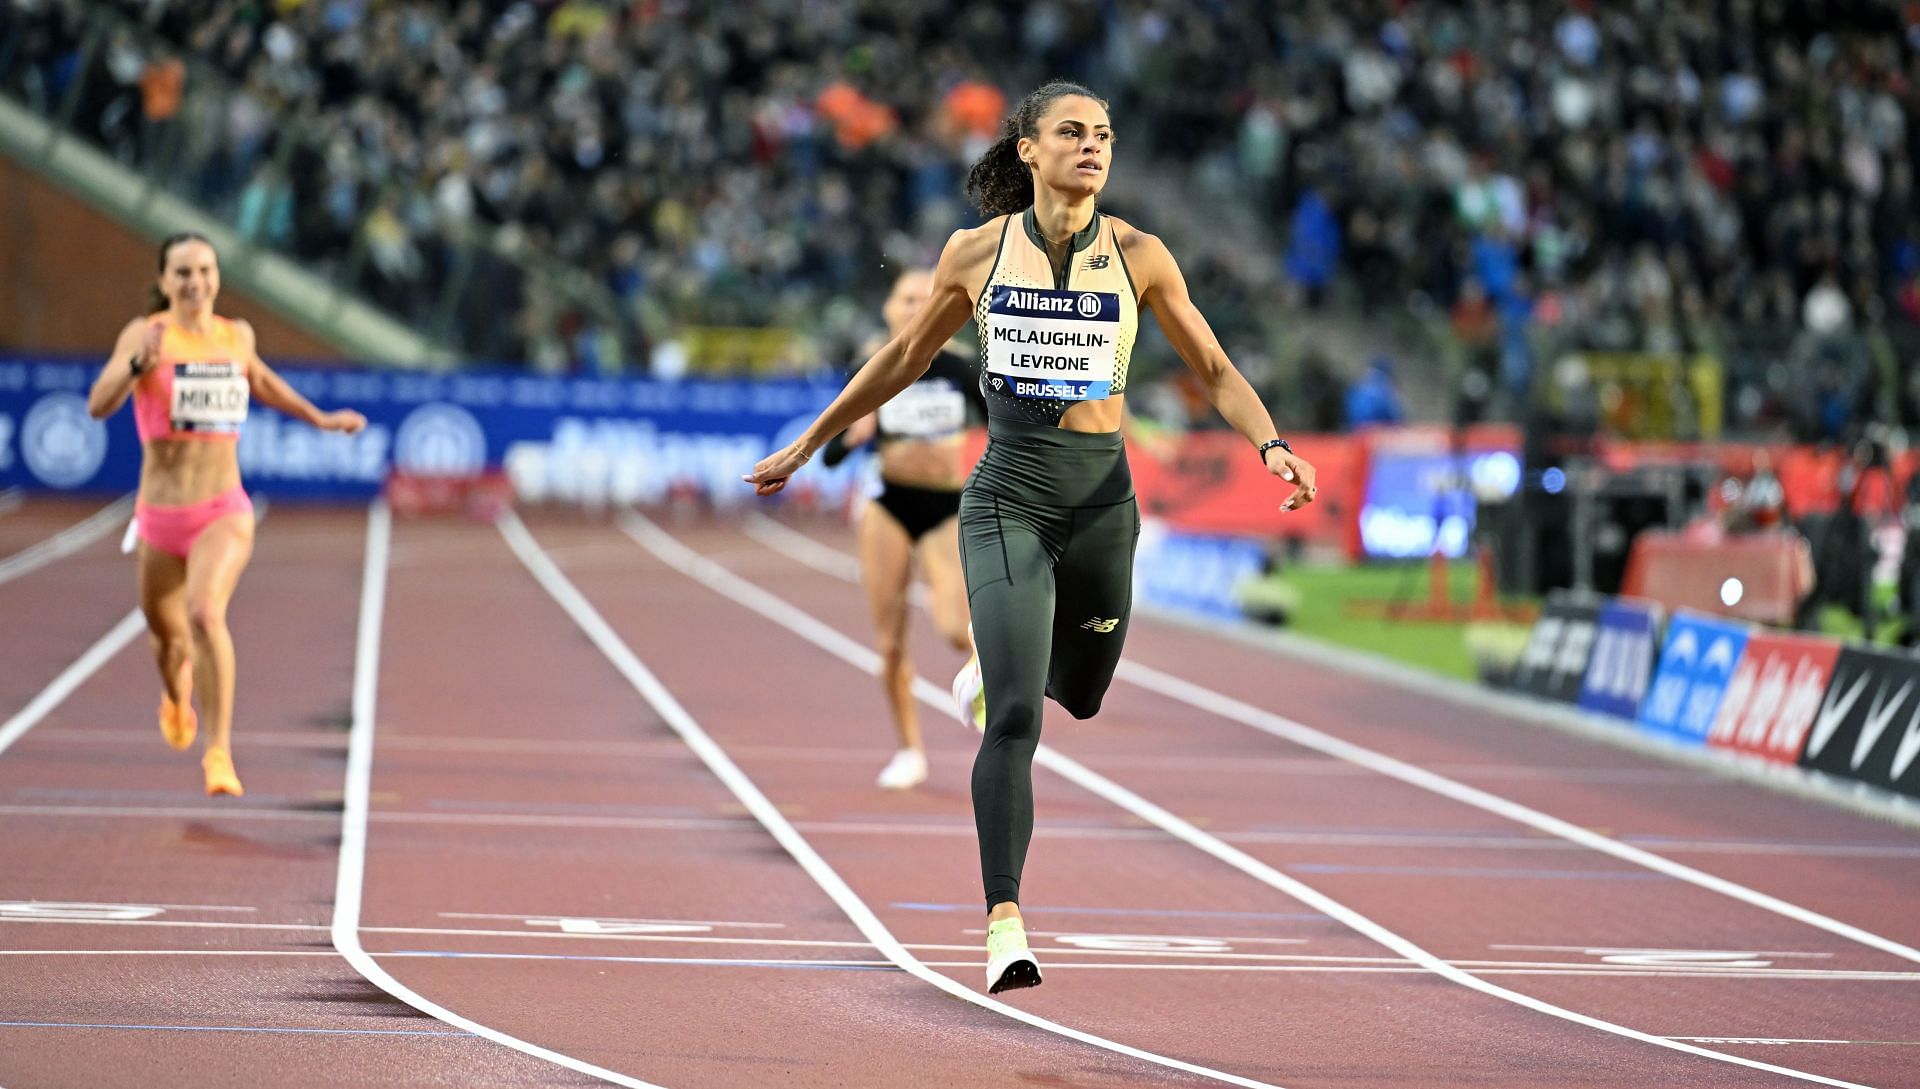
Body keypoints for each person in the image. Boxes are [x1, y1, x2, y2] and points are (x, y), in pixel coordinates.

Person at [746, 81, 1318, 994]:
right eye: (1072, 133)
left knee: (1080, 696)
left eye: (1103, 135)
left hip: (1102, 506)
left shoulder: (1140, 254)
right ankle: (1003, 921)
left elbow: (1212, 365)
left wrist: (1273, 444)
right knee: (1016, 716)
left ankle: (1007, 661)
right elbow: (904, 359)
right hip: (1007, 495)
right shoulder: (976, 253)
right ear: (1028, 150)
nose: (1093, 147)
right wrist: (811, 440)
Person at [87, 232, 366, 796]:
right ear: (164, 281)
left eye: (205, 270)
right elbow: (99, 404)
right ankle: (175, 695)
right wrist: (138, 365)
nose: (196, 283)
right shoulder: (147, 335)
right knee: (168, 644)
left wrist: (320, 419)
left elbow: (262, 381)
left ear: (217, 277)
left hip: (223, 509)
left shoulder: (236, 336)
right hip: (160, 518)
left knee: (205, 613)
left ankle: (219, 752)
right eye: (183, 272)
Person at [819, 268, 986, 791]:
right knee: (890, 641)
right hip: (889, 505)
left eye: (926, 298)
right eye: (906, 298)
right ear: (889, 309)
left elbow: (1006, 428)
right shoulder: (875, 368)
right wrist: (856, 435)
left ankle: (990, 671)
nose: (916, 307)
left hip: (944, 506)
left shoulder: (962, 370)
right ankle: (910, 750)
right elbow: (830, 455)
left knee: (956, 630)